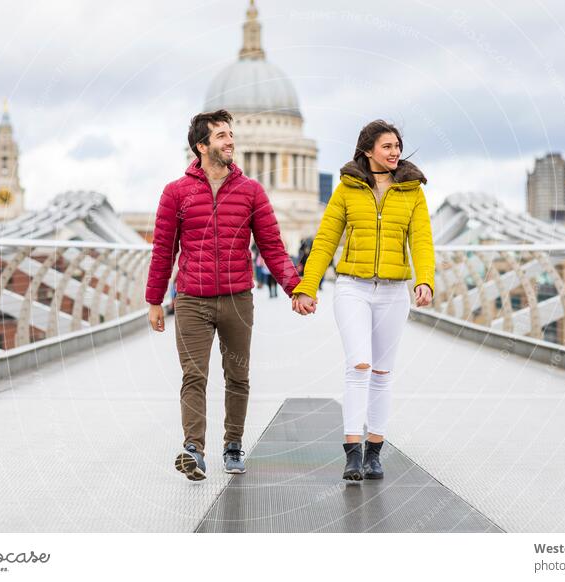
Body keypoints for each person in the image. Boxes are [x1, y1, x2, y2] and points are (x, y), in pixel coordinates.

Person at [146, 109, 300, 480]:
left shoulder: (251, 191)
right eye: (221, 136)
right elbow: (163, 249)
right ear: (201, 146)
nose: (230, 141)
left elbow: (273, 248)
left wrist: (297, 289)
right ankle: (193, 450)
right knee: (193, 375)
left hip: (236, 299)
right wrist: (154, 300)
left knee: (238, 376)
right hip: (192, 300)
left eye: (231, 134)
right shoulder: (175, 192)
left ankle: (233, 445)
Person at [291, 120, 435, 482]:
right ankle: (352, 453)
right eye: (387, 146)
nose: (395, 152)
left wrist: (426, 280)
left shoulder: (413, 191)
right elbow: (325, 241)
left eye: (397, 146)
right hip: (352, 287)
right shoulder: (346, 188)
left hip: (393, 292)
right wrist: (307, 287)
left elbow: (421, 240)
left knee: (383, 373)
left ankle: (375, 452)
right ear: (368, 150)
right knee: (360, 365)